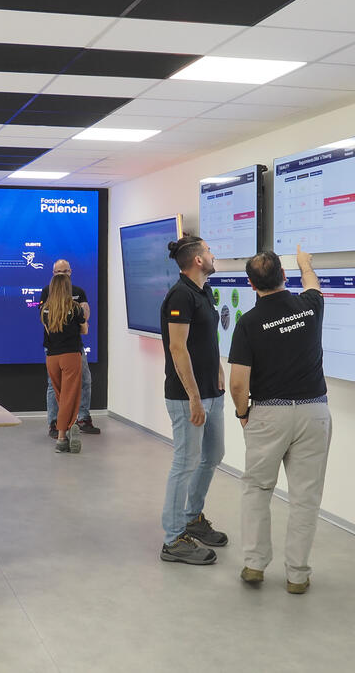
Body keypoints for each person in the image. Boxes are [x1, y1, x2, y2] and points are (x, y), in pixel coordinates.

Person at [228, 246, 332, 595]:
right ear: (284, 276)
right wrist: (305, 264)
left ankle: (255, 565)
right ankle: (297, 576)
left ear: (250, 284)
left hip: (269, 413)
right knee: (305, 497)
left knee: (257, 489)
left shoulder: (248, 324)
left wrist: (243, 413)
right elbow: (313, 284)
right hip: (314, 412)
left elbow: (238, 383)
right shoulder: (309, 306)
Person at [159, 234, 228, 566]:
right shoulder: (180, 296)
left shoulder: (203, 292)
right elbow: (177, 348)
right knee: (185, 463)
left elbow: (207, 337)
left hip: (211, 392)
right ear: (198, 260)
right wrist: (194, 398)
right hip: (189, 397)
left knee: (213, 454)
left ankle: (192, 518)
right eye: (210, 252)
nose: (213, 255)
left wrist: (218, 369)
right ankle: (173, 540)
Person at [39, 260, 100, 437]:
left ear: (70, 272)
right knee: (55, 387)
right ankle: (55, 424)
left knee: (84, 380)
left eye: (65, 271)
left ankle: (82, 419)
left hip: (74, 347)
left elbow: (85, 317)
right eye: (58, 272)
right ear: (53, 273)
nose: (62, 275)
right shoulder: (46, 292)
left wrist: (73, 322)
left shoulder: (79, 292)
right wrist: (72, 323)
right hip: (56, 349)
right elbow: (48, 323)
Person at [41, 273, 88, 454]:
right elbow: (84, 330)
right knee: (69, 396)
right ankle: (63, 436)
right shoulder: (75, 308)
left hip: (52, 357)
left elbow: (49, 330)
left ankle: (68, 428)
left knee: (61, 396)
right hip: (71, 355)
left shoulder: (45, 309)